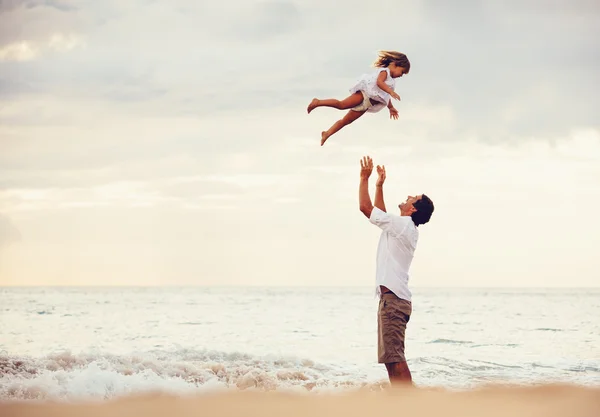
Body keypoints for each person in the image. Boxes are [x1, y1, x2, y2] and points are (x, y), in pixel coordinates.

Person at [357, 155, 434, 386]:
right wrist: (379, 185)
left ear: (412, 209)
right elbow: (381, 216)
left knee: (395, 358)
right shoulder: (403, 227)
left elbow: (366, 208)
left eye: (413, 197)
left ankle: (408, 403)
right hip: (394, 299)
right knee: (391, 359)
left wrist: (364, 178)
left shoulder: (403, 226)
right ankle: (401, 403)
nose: (409, 196)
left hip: (394, 299)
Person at [307, 51, 410, 146]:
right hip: (364, 95)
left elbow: (385, 96)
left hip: (367, 105)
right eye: (402, 72)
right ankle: (318, 102)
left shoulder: (392, 83)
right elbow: (379, 83)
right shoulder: (385, 72)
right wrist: (391, 91)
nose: (401, 75)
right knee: (341, 105)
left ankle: (327, 133)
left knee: (345, 121)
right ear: (395, 64)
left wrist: (390, 107)